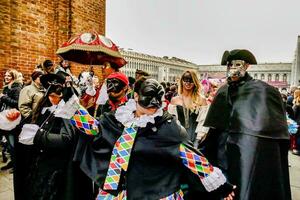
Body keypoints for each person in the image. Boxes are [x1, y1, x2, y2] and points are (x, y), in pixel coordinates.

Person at [74, 78, 235, 200]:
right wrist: (70, 104)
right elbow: (93, 128)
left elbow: (192, 158)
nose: (152, 108)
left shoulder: (169, 128)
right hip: (116, 191)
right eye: (147, 102)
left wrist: (223, 187)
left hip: (153, 192)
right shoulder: (119, 118)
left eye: (155, 103)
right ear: (136, 96)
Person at [203, 49, 291, 200]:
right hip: (224, 152)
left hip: (250, 153)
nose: (233, 67)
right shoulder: (223, 90)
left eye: (238, 64)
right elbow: (214, 128)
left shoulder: (263, 91)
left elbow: (274, 131)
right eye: (230, 64)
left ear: (247, 65)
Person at [20, 72, 92, 200]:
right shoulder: (45, 107)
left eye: (57, 96)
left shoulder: (69, 110)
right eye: (50, 96)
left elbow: (66, 139)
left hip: (58, 169)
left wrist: (39, 136)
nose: (53, 99)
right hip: (42, 163)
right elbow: (31, 124)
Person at [168, 70, 209, 147]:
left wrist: (198, 140)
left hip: (195, 140)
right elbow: (171, 123)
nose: (188, 83)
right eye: (185, 80)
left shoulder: (201, 100)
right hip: (177, 140)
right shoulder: (175, 100)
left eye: (191, 80)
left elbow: (203, 122)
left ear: (195, 82)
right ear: (181, 81)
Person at [0, 69, 23, 172]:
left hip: (12, 120)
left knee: (12, 143)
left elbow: (17, 103)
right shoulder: (6, 88)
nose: (6, 77)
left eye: (9, 76)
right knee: (8, 144)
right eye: (6, 75)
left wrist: (3, 97)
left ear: (14, 77)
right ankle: (12, 162)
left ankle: (16, 165)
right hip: (4, 118)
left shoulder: (16, 88)